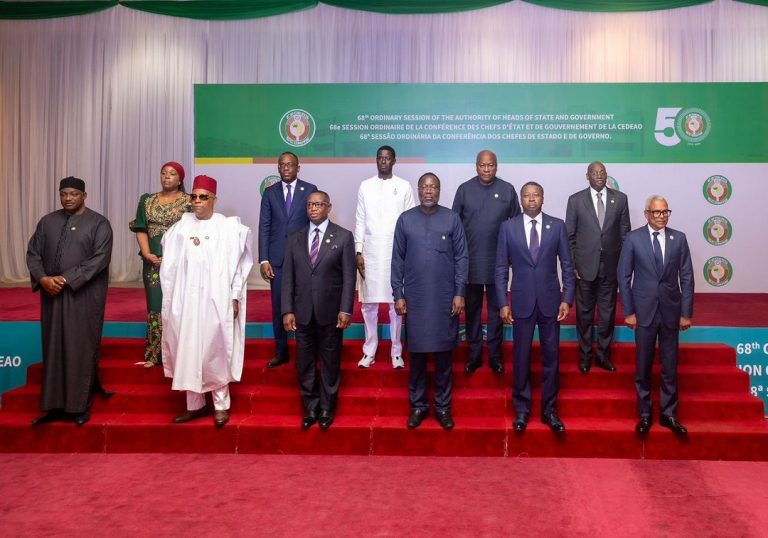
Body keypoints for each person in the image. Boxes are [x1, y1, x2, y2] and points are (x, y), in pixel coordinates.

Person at [160, 175, 253, 428]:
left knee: (215, 348)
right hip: (186, 300)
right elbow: (169, 265)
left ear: (214, 199)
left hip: (216, 299)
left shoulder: (228, 228)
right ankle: (195, 405)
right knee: (187, 347)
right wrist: (171, 302)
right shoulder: (180, 228)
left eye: (204, 197)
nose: (197, 202)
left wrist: (234, 295)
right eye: (194, 196)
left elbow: (241, 266)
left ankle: (221, 405)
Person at [26, 176, 113, 426]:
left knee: (79, 347)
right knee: (53, 347)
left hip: (83, 295)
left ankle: (78, 407)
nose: (68, 198)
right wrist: (43, 278)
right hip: (51, 294)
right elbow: (33, 253)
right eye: (63, 194)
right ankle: (53, 406)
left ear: (84, 195)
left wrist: (65, 278)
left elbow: (100, 258)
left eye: (73, 194)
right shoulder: (47, 222)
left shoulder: (99, 223)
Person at [495, 181, 574, 434]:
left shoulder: (557, 226)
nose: (531, 199)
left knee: (551, 358)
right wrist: (502, 302)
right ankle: (521, 410)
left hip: (551, 302)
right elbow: (499, 269)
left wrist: (567, 298)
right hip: (521, 301)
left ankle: (550, 411)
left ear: (543, 198)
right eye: (527, 196)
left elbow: (568, 266)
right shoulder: (508, 228)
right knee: (521, 357)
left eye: (536, 195)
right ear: (521, 200)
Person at [391, 173, 468, 430]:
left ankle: (443, 408)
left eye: (433, 187)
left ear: (439, 190)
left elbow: (462, 258)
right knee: (418, 358)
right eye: (424, 187)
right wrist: (398, 294)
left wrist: (459, 292)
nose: (428, 191)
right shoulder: (405, 220)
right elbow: (397, 260)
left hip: (445, 299)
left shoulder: (451, 218)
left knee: (444, 359)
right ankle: (418, 406)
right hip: (415, 299)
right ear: (418, 190)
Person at [617, 196, 693, 437]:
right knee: (643, 366)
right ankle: (645, 414)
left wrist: (686, 312)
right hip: (643, 312)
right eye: (657, 212)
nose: (661, 216)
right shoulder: (633, 238)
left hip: (671, 312)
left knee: (670, 366)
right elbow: (624, 276)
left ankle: (669, 414)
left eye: (665, 212)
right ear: (647, 213)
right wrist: (628, 311)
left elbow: (687, 278)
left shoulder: (678, 238)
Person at [282, 191, 357, 430]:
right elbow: (288, 279)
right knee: (304, 363)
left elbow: (349, 277)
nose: (313, 208)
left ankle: (326, 408)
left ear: (328, 207)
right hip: (302, 312)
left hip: (331, 312)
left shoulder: (343, 237)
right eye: (310, 205)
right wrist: (287, 310)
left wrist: (346, 309)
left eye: (318, 204)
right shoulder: (295, 238)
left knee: (330, 362)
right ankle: (311, 408)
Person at [452, 149, 520, 373]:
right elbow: (455, 227)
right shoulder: (464, 190)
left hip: (498, 263)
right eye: (483, 165)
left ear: (496, 166)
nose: (487, 169)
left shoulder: (508, 190)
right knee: (471, 311)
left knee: (496, 311)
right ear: (476, 166)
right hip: (469, 263)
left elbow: (517, 226)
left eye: (491, 165)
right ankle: (473, 355)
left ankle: (494, 356)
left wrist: (513, 255)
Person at [565, 161, 630, 374]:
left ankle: (603, 356)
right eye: (594, 172)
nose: (599, 175)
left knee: (607, 314)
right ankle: (584, 357)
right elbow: (569, 236)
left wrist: (624, 266)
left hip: (611, 267)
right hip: (584, 267)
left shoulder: (620, 199)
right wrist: (573, 264)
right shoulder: (575, 200)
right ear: (587, 176)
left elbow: (625, 235)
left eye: (602, 172)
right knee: (584, 314)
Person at [355, 145, 415, 369]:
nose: (383, 161)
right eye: (380, 158)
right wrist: (358, 250)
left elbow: (410, 221)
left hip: (395, 251)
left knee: (394, 304)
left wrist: (409, 251)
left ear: (394, 161)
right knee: (368, 304)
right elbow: (360, 219)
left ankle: (396, 351)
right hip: (370, 252)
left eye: (387, 158)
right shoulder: (365, 186)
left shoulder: (404, 186)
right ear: (376, 160)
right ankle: (369, 349)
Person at [259, 152, 317, 368]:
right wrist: (264, 259)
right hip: (277, 260)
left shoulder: (310, 190)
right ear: (278, 168)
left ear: (298, 167)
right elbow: (264, 226)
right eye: (281, 165)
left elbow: (314, 224)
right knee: (278, 306)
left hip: (303, 258)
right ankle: (281, 351)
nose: (285, 168)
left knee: (303, 306)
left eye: (290, 165)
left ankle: (305, 351)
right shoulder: (270, 193)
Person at [129, 162, 191, 368]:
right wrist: (146, 253)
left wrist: (176, 256)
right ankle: (154, 355)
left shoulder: (190, 201)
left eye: (172, 174)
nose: (166, 177)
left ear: (180, 179)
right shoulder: (147, 200)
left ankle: (180, 355)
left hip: (181, 264)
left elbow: (194, 233)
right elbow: (141, 228)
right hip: (153, 263)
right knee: (155, 306)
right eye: (163, 173)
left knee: (179, 306)